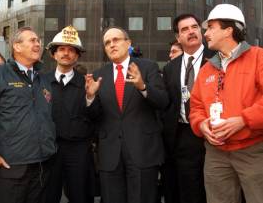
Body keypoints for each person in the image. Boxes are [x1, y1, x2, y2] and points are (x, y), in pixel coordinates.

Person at [85, 26, 169, 203]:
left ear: (128, 43)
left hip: (143, 151)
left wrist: (143, 87)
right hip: (110, 155)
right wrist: (90, 97)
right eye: (107, 43)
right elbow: (94, 116)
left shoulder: (148, 67)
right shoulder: (99, 75)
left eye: (116, 40)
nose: (111, 45)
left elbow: (163, 101)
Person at [190, 4, 263, 203]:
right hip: (215, 154)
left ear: (229, 30)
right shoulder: (207, 69)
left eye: (211, 27)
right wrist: (201, 125)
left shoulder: (258, 57)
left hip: (253, 150)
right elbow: (196, 107)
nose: (205, 33)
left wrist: (243, 120)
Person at [0, 27, 57, 203]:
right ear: (17, 46)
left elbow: (47, 118)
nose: (38, 44)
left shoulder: (43, 80)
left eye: (39, 41)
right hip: (10, 165)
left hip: (42, 165)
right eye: (32, 40)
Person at [161, 14, 215, 203]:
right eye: (185, 29)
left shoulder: (217, 59)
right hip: (183, 135)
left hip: (215, 134)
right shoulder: (170, 69)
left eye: (194, 27)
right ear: (178, 38)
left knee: (216, 189)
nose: (191, 31)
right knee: (189, 190)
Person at [44, 25, 98, 203]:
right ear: (53, 54)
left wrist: (91, 97)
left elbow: (97, 117)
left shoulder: (87, 83)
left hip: (78, 151)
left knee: (80, 196)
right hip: (48, 150)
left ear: (77, 55)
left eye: (71, 50)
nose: (66, 53)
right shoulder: (41, 81)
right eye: (61, 49)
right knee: (47, 196)